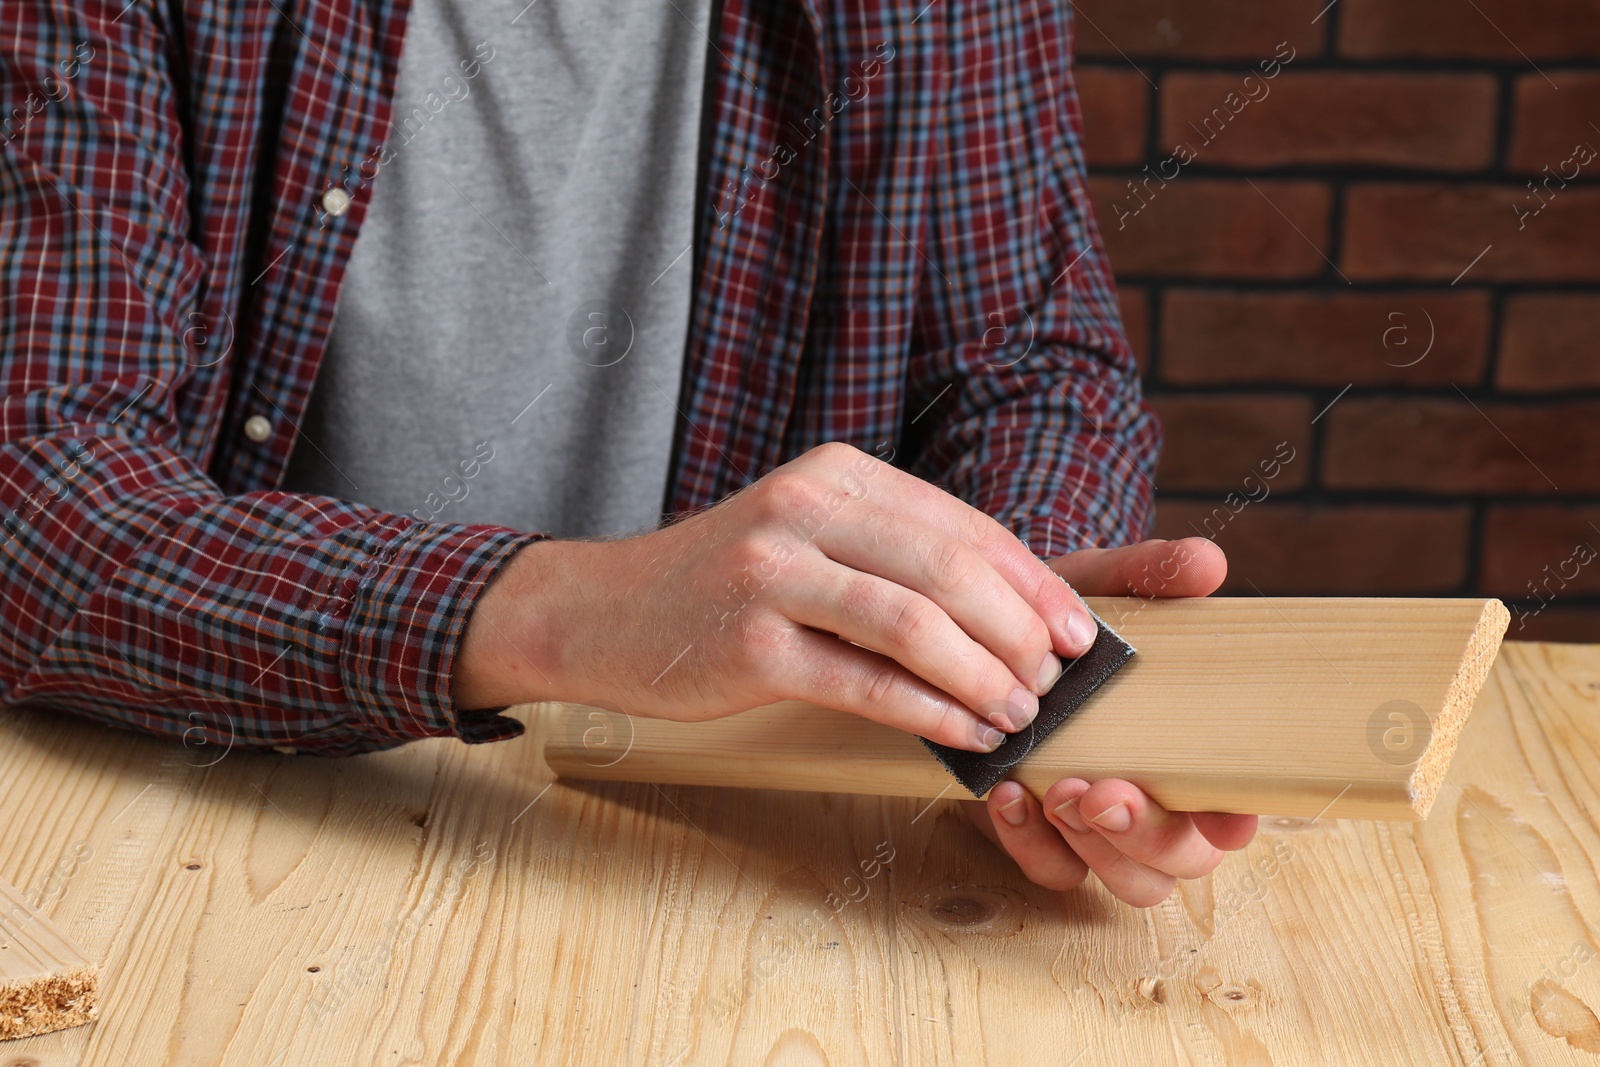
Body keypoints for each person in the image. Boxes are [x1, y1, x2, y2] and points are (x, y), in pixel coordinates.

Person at [0, 0, 1256, 907]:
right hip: (218, 821)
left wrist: (1008, 656)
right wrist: (574, 613)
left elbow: (1028, 365)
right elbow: (35, 485)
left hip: (723, 864)